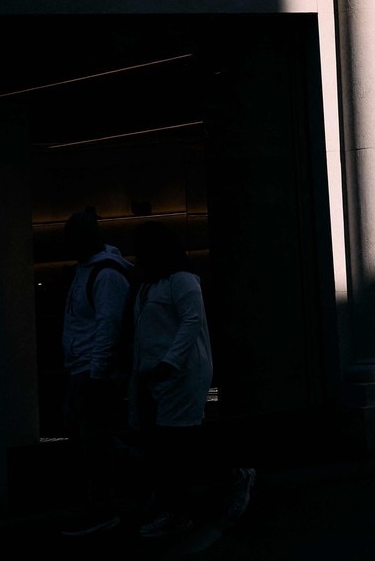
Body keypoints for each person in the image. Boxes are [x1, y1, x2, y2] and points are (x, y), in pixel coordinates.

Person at [129, 220, 254, 538]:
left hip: (180, 375)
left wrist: (170, 363)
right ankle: (185, 503)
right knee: (172, 444)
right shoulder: (150, 285)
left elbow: (192, 320)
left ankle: (192, 502)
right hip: (157, 376)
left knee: (178, 444)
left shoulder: (180, 281)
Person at [59, 208, 134, 537]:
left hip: (91, 372)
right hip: (86, 369)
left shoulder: (102, 274)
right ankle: (138, 483)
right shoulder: (94, 270)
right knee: (96, 439)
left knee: (95, 441)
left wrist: (96, 372)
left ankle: (104, 505)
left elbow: (108, 327)